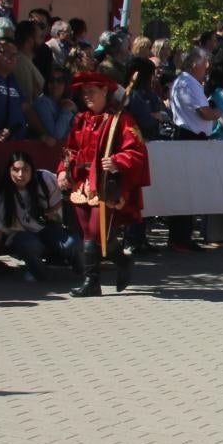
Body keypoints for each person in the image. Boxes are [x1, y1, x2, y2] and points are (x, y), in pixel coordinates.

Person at [59, 72, 151, 296]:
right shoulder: (81, 119)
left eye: (92, 91)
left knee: (95, 231)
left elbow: (137, 151)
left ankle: (92, 280)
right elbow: (70, 150)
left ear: (104, 92)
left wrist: (117, 161)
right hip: (81, 182)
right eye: (84, 92)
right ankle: (116, 266)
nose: (87, 96)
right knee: (90, 233)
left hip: (104, 184)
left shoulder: (121, 120)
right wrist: (62, 170)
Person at [0, 151, 70, 284]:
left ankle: (81, 271)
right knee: (28, 243)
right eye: (16, 170)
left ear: (32, 170)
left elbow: (63, 197)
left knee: (71, 244)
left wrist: (50, 211)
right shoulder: (3, 199)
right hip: (25, 237)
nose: (21, 175)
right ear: (9, 171)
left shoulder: (44, 179)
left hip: (49, 228)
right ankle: (40, 273)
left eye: (25, 170)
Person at [165, 46, 220, 251]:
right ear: (195, 64)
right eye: (204, 64)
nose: (207, 68)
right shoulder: (188, 83)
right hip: (190, 138)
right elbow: (204, 112)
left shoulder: (184, 81)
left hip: (189, 137)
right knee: (186, 190)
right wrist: (218, 113)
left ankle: (181, 236)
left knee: (187, 189)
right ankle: (180, 238)